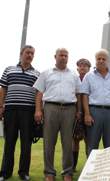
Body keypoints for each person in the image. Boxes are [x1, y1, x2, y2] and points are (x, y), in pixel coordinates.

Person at [33, 48, 81, 181]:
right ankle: (49, 173)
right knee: (49, 142)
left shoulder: (74, 75)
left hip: (69, 109)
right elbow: (39, 93)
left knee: (67, 142)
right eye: (61, 55)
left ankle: (67, 173)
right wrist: (38, 110)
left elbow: (78, 94)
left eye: (66, 55)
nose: (64, 57)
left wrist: (79, 111)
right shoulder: (46, 73)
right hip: (50, 108)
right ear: (55, 56)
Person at [0, 45, 40, 181]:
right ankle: (5, 172)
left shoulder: (37, 74)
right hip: (10, 110)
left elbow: (38, 94)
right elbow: (3, 89)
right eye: (27, 53)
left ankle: (24, 172)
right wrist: (0, 106)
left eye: (32, 53)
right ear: (21, 53)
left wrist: (37, 111)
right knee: (9, 142)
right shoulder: (8, 70)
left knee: (26, 143)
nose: (30, 55)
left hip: (28, 111)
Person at [81, 49, 110, 156]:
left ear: (108, 61)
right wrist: (87, 114)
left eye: (104, 59)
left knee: (109, 145)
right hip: (94, 112)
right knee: (92, 145)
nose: (101, 61)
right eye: (99, 59)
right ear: (95, 60)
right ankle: (91, 171)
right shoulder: (89, 76)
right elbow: (84, 96)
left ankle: (107, 171)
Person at [72, 58, 91, 171]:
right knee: (75, 139)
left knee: (89, 140)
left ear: (89, 68)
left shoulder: (92, 79)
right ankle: (73, 166)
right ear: (77, 68)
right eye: (81, 65)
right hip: (76, 113)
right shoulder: (74, 79)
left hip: (89, 112)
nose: (83, 67)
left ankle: (89, 166)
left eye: (85, 65)